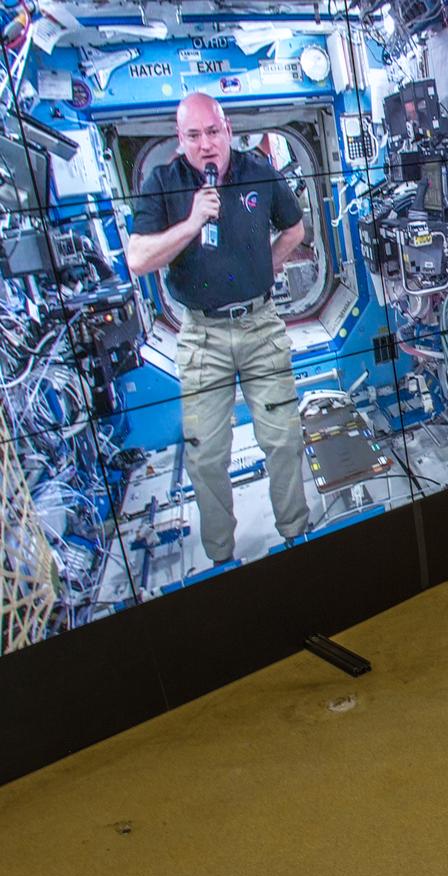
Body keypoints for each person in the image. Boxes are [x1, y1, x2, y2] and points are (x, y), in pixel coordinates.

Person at [126, 92, 308, 565]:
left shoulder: (259, 172)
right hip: (201, 335)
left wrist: (262, 270)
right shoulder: (161, 183)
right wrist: (191, 223)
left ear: (227, 130)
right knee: (206, 456)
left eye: (213, 132)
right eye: (193, 135)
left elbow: (295, 231)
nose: (206, 144)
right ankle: (222, 561)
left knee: (283, 438)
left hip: (261, 326)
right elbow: (139, 258)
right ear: (179, 139)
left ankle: (297, 536)